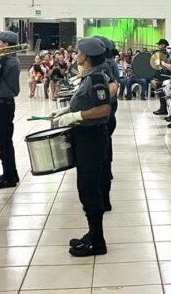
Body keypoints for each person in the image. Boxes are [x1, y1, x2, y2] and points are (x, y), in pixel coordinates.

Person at [49, 38, 112, 257]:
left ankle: (98, 241)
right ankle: (92, 233)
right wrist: (67, 111)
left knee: (89, 188)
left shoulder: (96, 78)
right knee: (85, 187)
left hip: (92, 137)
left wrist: (77, 116)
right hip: (85, 136)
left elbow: (104, 109)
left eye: (78, 52)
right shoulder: (88, 76)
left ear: (85, 56)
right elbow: (86, 102)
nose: (76, 55)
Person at [92, 35, 120, 212]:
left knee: (103, 148)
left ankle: (103, 196)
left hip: (105, 110)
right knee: (106, 144)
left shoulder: (104, 66)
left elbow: (110, 88)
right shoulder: (108, 63)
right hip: (110, 107)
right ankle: (107, 170)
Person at [0, 31, 21, 189]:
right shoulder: (6, 59)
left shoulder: (8, 61)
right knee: (3, 141)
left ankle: (9, 177)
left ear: (6, 45)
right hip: (1, 103)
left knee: (2, 141)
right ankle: (10, 173)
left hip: (2, 104)